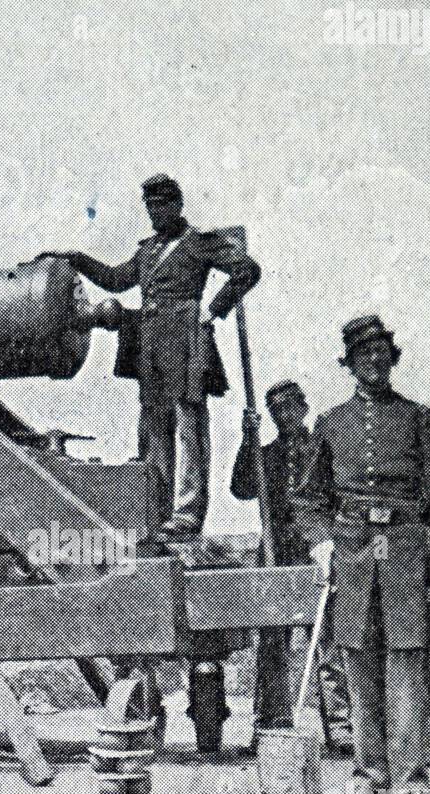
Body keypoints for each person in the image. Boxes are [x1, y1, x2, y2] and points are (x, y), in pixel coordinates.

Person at [293, 316, 430, 794]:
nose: (373, 361)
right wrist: (321, 540)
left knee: (407, 661)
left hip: (407, 550)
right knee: (358, 658)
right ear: (349, 365)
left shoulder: (420, 420)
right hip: (351, 552)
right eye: (363, 354)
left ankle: (411, 778)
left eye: (381, 352)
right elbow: (308, 499)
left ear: (393, 359)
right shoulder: (330, 425)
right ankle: (369, 775)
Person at [40, 174, 261, 535]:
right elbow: (115, 280)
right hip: (151, 346)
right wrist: (77, 259)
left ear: (178, 205)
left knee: (190, 427)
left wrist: (215, 309)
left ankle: (188, 513)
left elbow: (247, 270)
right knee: (154, 429)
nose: (156, 213)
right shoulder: (148, 251)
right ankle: (157, 512)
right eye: (151, 207)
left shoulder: (198, 243)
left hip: (187, 343)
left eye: (162, 205)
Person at [230, 379, 312, 733]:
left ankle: (343, 725)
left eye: (290, 407)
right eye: (277, 411)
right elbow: (241, 488)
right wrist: (249, 439)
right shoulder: (266, 456)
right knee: (273, 638)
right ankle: (271, 721)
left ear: (303, 408)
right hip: (276, 547)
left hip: (314, 545)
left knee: (326, 632)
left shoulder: (322, 450)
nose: (285, 415)